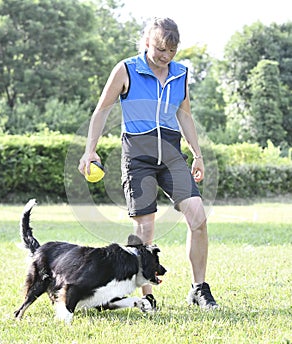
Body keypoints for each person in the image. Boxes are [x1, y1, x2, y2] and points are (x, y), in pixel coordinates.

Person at [78, 17, 218, 310]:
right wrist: (89, 150)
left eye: (171, 51)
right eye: (159, 50)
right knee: (145, 230)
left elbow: (184, 115)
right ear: (146, 43)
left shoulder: (180, 73)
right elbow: (102, 111)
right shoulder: (126, 69)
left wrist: (198, 154)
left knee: (198, 218)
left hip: (170, 153)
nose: (165, 57)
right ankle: (146, 297)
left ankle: (199, 289)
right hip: (137, 156)